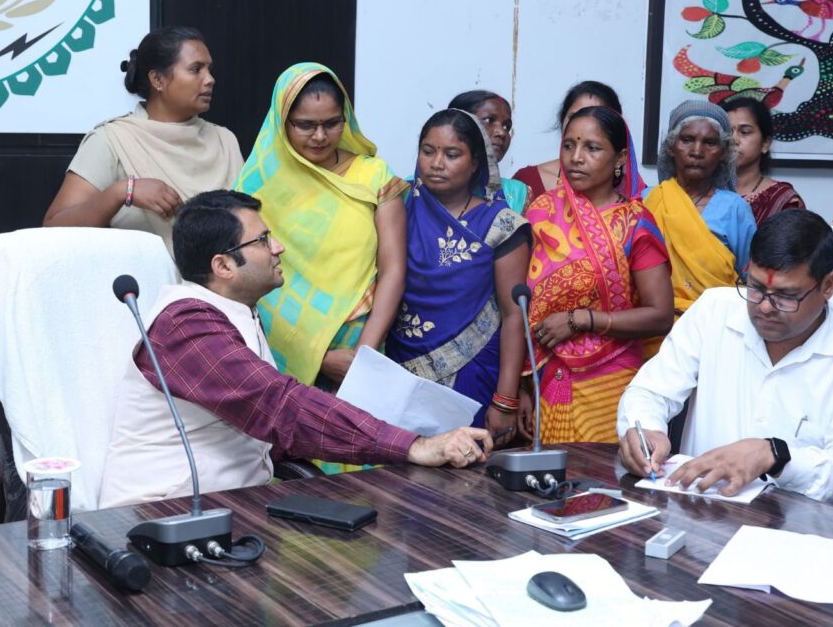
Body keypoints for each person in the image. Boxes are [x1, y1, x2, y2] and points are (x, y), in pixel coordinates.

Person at [98, 191, 491, 508]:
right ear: (223, 266)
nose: (279, 247)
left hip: (227, 505)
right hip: (163, 513)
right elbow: (279, 407)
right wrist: (413, 445)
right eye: (263, 240)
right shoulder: (186, 326)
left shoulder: (234, 312)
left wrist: (414, 437)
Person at [618, 210, 833, 506]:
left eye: (785, 296)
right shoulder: (714, 311)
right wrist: (645, 429)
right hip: (696, 513)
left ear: (828, 286)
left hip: (795, 527)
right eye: (756, 287)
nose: (764, 307)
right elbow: (650, 391)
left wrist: (775, 456)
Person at [235, 63, 407, 393]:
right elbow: (244, 282)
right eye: (305, 125)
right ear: (282, 122)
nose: (319, 136)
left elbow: (393, 270)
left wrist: (363, 356)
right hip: (277, 348)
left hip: (361, 345)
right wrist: (317, 356)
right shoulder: (259, 183)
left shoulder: (374, 176)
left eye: (331, 123)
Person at [522, 106, 674, 444]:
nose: (576, 157)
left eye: (592, 148)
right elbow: (519, 306)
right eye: (569, 145)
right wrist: (520, 386)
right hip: (543, 376)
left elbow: (660, 315)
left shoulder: (635, 223)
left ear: (619, 157)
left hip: (609, 380)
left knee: (603, 473)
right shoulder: (540, 213)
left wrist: (582, 320)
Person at [386, 110, 530, 443]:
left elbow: (514, 315)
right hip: (399, 365)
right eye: (428, 151)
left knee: (465, 463)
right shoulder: (397, 205)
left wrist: (505, 400)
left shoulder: (502, 224)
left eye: (452, 155)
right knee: (397, 461)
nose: (436, 163)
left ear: (476, 162)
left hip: (472, 368)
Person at [44, 27, 243, 253]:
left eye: (209, 69)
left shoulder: (225, 140)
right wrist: (122, 192)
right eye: (196, 69)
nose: (210, 79)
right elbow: (53, 229)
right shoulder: (113, 139)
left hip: (223, 276)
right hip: (139, 276)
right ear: (157, 79)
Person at [644, 100, 756, 333]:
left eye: (710, 143)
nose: (697, 151)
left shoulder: (735, 209)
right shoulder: (647, 201)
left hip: (716, 330)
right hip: (652, 332)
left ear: (723, 152)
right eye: (687, 140)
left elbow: (752, 278)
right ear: (670, 147)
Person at [513, 80, 623, 201]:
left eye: (592, 148)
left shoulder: (632, 198)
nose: (583, 124)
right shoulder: (527, 183)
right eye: (575, 116)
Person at [721, 97, 805, 224]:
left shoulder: (783, 200)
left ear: (765, 144)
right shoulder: (702, 191)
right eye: (727, 132)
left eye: (744, 132)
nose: (734, 140)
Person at [447, 90, 530, 213]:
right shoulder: (424, 186)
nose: (501, 132)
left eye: (506, 126)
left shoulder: (517, 192)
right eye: (489, 120)